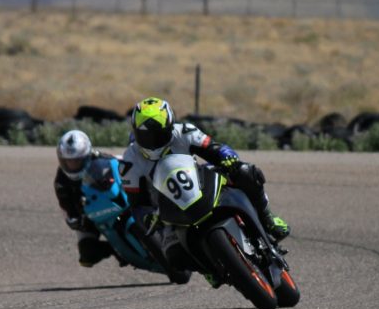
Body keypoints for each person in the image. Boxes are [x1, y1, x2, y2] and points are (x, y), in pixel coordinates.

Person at [120, 96, 290, 242]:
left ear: (171, 126)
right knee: (174, 257)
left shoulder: (185, 132)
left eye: (158, 134)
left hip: (197, 180)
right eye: (145, 136)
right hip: (164, 208)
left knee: (246, 173)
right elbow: (137, 204)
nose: (152, 140)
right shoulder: (130, 160)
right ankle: (210, 268)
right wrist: (147, 216)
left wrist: (227, 157)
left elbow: (216, 149)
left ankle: (267, 218)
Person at [53, 129, 117, 267]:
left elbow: (121, 165)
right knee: (87, 257)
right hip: (89, 217)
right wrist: (75, 219)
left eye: (77, 161)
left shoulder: (101, 159)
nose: (73, 165)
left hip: (114, 203)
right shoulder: (61, 181)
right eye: (69, 162)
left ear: (87, 155)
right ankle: (118, 250)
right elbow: (66, 208)